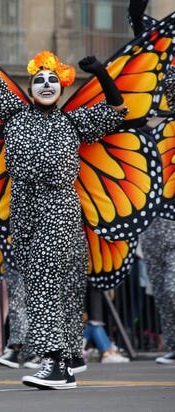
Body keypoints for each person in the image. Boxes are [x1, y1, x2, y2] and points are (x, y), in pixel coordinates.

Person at [0, 15, 127, 390]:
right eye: (38, 80)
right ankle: (70, 355)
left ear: (61, 88)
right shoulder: (12, 114)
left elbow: (115, 109)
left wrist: (102, 74)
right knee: (52, 284)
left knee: (44, 283)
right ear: (29, 88)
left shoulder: (73, 123)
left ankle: (56, 363)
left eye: (52, 80)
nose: (45, 85)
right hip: (24, 212)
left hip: (59, 209)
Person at [128, 0, 175, 366]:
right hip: (156, 217)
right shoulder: (158, 132)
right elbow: (155, 64)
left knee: (173, 284)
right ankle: (173, 344)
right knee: (161, 287)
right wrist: (137, 24)